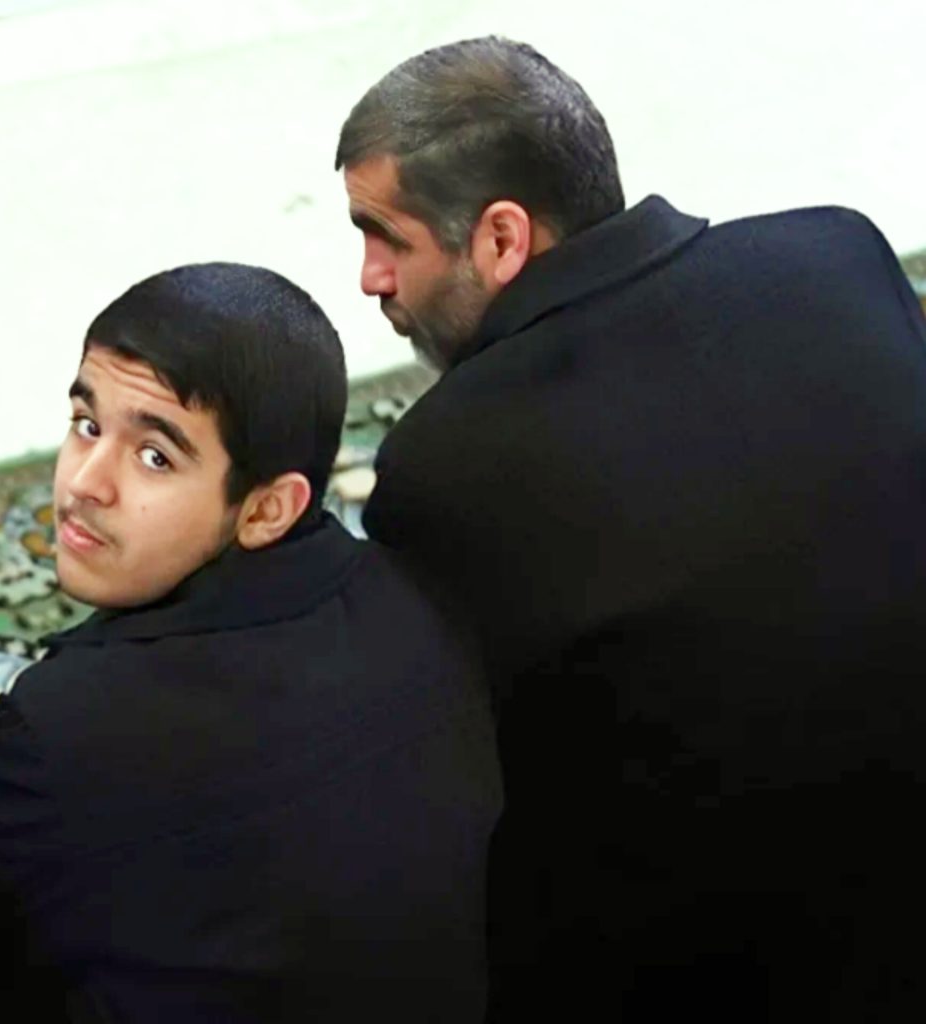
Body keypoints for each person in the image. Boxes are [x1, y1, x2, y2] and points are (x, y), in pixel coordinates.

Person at [337, 35, 926, 1023]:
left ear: (501, 238)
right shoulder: (838, 253)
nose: (369, 278)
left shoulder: (448, 464)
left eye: (384, 237)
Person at [0, 263, 501, 1021]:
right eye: (87, 425)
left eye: (155, 456)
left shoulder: (72, 724)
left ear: (268, 509)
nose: (85, 484)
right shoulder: (411, 592)